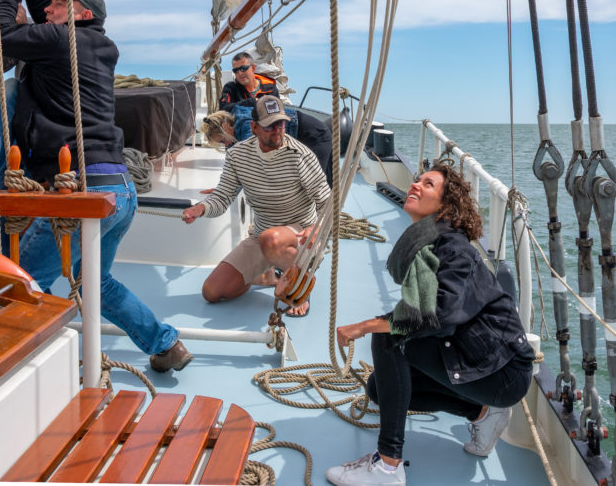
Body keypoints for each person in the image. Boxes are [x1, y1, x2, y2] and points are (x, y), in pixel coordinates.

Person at [0, 0, 191, 373]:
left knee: (24, 279)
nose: (46, 8)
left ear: (80, 13)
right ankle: (165, 345)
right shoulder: (90, 42)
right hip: (117, 189)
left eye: (58, 5)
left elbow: (6, 36)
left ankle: (25, 369)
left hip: (82, 191)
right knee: (93, 282)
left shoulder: (65, 43)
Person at [326, 164, 534, 486]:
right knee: (378, 390)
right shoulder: (431, 246)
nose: (415, 184)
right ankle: (481, 412)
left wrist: (365, 326)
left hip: (503, 370)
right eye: (417, 179)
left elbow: (441, 314)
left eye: (428, 184)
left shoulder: (454, 248)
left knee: (389, 338)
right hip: (475, 357)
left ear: (446, 205)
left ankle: (387, 466)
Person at [182, 94, 330, 317]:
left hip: (300, 237)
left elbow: (327, 202)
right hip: (263, 237)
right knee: (212, 292)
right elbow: (223, 196)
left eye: (280, 123)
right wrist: (201, 209)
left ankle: (299, 290)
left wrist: (317, 229)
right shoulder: (238, 156)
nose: (277, 130)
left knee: (271, 239)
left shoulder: (300, 155)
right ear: (254, 127)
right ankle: (271, 276)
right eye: (269, 125)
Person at [200, 105, 333, 186]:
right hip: (305, 136)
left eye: (223, 141)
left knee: (315, 182)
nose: (227, 144)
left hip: (314, 136)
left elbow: (251, 158)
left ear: (225, 127)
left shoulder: (246, 125)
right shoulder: (238, 128)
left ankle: (319, 227)